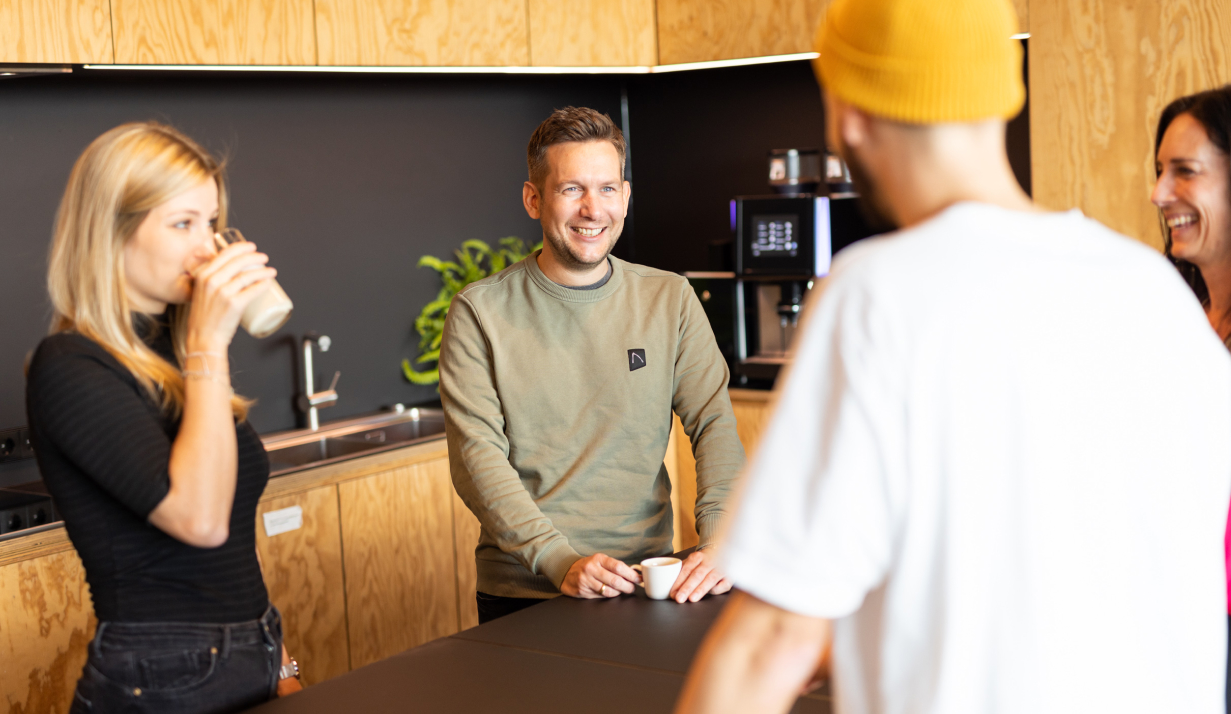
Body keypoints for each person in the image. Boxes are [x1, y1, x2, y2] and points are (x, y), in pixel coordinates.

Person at [675, 1, 1231, 712]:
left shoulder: (878, 294)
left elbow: (768, 642)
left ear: (847, 113)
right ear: (1003, 96)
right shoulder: (1159, 298)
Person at [27, 122, 302, 713]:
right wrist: (209, 347)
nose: (207, 249)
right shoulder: (70, 364)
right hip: (157, 677)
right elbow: (198, 521)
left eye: (210, 223)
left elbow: (231, 543)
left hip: (249, 652)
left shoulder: (180, 360)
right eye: (182, 224)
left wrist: (282, 661)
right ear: (111, 233)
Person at [439, 107, 745, 624]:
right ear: (534, 199)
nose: (592, 209)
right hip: (528, 594)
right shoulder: (480, 312)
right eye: (571, 189)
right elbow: (477, 459)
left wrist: (719, 538)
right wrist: (559, 562)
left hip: (648, 581)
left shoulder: (668, 298)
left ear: (625, 197)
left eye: (607, 189)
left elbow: (713, 422)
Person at [1151, 83, 1231, 712]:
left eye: (1185, 171)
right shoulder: (1172, 316)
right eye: (1158, 172)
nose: (1159, 194)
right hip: (1175, 607)